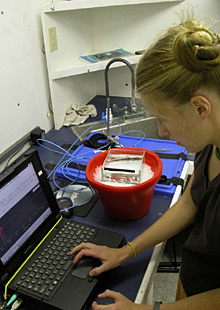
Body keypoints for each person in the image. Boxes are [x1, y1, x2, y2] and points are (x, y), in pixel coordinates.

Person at [70, 16, 220, 309]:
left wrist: (148, 309)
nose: (162, 131)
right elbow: (191, 201)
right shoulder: (211, 140)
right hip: (194, 281)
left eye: (164, 119)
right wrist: (126, 251)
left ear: (200, 107)